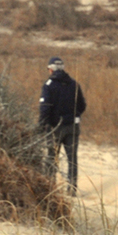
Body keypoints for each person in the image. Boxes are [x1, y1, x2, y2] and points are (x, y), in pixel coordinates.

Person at [38, 57, 85, 193]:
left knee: (52, 157)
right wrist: (73, 116)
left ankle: (49, 187)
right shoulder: (74, 84)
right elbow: (82, 105)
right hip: (73, 127)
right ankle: (72, 188)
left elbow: (45, 108)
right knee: (72, 157)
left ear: (51, 69)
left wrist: (42, 125)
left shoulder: (49, 85)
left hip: (55, 127)